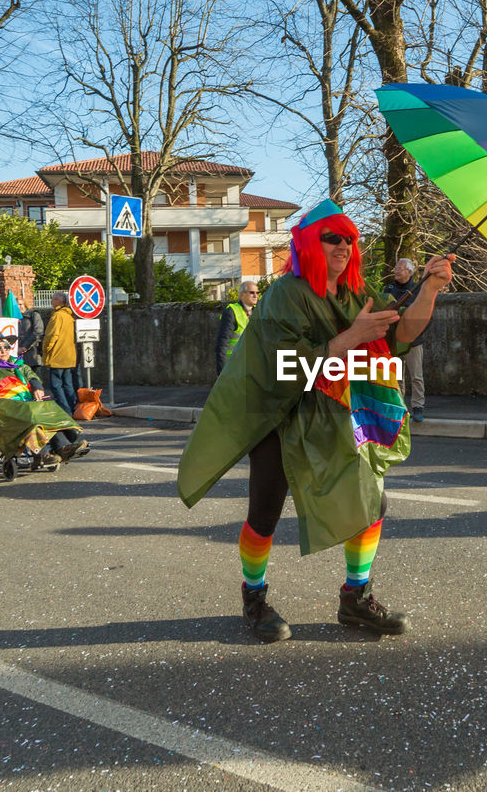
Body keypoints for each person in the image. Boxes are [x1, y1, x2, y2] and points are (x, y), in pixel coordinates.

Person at [177, 198, 454, 643]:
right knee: (265, 510)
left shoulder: (357, 292)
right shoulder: (284, 294)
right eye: (332, 238)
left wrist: (431, 289)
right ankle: (254, 597)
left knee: (371, 502)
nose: (343, 246)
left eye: (349, 238)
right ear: (308, 243)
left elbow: (401, 335)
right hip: (278, 413)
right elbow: (285, 367)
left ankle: (356, 598)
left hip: (333, 413)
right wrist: (352, 337)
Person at [0, 329, 89, 465]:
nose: (4, 351)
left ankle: (63, 447)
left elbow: (30, 374)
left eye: (6, 346)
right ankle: (43, 454)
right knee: (31, 415)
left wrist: (37, 387)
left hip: (24, 402)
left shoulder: (14, 363)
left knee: (47, 408)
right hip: (2, 407)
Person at [382, 257, 426, 421]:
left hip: (413, 339)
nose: (396, 270)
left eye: (400, 268)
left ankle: (418, 406)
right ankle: (400, 406)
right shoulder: (389, 289)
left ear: (409, 271)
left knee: (416, 375)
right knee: (396, 376)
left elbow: (424, 315)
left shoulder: (417, 289)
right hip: (395, 340)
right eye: (395, 267)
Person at [42, 292, 78, 415]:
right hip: (68, 355)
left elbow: (52, 335)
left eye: (53, 300)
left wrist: (46, 349)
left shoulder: (57, 316)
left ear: (59, 301)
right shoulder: (69, 316)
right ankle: (73, 407)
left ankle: (65, 410)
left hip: (57, 355)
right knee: (68, 384)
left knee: (56, 385)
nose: (52, 302)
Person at [215, 281, 259, 374]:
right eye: (251, 292)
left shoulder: (258, 312)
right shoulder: (231, 311)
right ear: (242, 295)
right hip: (235, 366)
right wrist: (222, 373)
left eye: (257, 293)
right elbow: (222, 343)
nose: (255, 295)